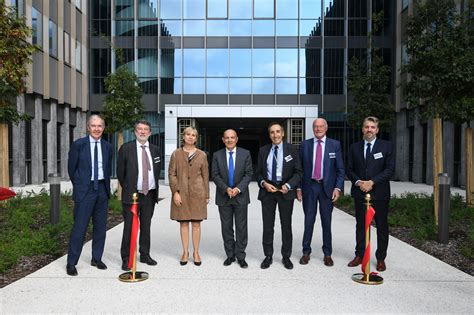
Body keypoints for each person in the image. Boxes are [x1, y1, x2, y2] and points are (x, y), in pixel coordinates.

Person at [346, 116, 395, 272]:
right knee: (361, 225)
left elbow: (389, 170)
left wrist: (372, 182)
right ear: (362, 129)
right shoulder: (354, 147)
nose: (369, 130)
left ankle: (380, 258)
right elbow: (349, 169)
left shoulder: (387, 146)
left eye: (372, 127)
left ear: (377, 130)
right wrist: (360, 182)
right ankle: (360, 255)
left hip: (379, 193)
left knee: (381, 227)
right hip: (360, 193)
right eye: (366, 127)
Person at [66, 115, 112, 276]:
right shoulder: (78, 145)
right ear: (88, 127)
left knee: (100, 228)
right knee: (79, 227)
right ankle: (71, 262)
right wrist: (80, 186)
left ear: (104, 128)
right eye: (94, 126)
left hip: (102, 190)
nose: (97, 129)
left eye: (100, 126)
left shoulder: (108, 146)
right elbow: (72, 169)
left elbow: (107, 169)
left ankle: (96, 258)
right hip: (85, 191)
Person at [296, 118, 345, 267]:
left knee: (326, 222)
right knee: (308, 221)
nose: (318, 129)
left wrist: (338, 188)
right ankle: (306, 252)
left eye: (321, 126)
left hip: (327, 189)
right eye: (315, 126)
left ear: (326, 127)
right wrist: (298, 188)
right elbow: (299, 169)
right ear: (313, 128)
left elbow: (340, 170)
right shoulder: (305, 145)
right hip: (309, 187)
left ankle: (327, 254)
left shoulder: (334, 145)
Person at [256, 122, 302, 270]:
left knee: (286, 226)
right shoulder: (263, 150)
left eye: (277, 132)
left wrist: (289, 186)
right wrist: (263, 183)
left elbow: (299, 172)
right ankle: (268, 256)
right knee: (268, 226)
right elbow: (258, 173)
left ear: (283, 133)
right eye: (272, 132)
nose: (275, 135)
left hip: (285, 192)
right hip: (268, 191)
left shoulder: (292, 150)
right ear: (269, 135)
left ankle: (286, 256)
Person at [117, 120, 161, 271]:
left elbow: (156, 170)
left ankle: (145, 254)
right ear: (135, 132)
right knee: (129, 228)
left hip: (149, 195)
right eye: (140, 129)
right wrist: (130, 189)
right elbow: (120, 174)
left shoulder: (155, 150)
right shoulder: (126, 148)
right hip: (132, 196)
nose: (142, 132)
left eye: (146, 129)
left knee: (146, 227)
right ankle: (127, 258)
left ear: (150, 132)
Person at [211, 129, 253, 269]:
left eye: (232, 137)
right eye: (227, 138)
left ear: (237, 139)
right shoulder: (217, 155)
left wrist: (238, 188)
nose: (229, 140)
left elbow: (249, 174)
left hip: (240, 196)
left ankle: (241, 256)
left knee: (241, 228)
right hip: (224, 197)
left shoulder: (245, 153)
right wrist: (226, 189)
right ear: (223, 140)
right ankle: (230, 255)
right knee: (227, 228)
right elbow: (215, 175)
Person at [168, 126, 209, 266]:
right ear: (183, 137)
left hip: (198, 193)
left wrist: (207, 195)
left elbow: (205, 175)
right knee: (184, 223)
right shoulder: (176, 154)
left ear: (196, 138)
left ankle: (196, 252)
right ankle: (185, 251)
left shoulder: (202, 155)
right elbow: (172, 174)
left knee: (196, 223)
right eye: (188, 134)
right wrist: (175, 192)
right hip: (182, 193)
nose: (191, 137)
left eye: (193, 135)